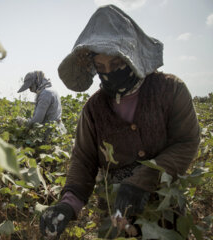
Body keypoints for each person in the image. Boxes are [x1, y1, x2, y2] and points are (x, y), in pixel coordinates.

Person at [39, 4, 200, 238]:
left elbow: (187, 142)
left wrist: (143, 180)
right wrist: (68, 204)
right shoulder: (93, 110)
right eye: (101, 67)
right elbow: (83, 160)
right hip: (116, 216)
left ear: (131, 56)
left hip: (165, 209)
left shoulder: (171, 90)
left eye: (116, 64)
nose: (109, 73)